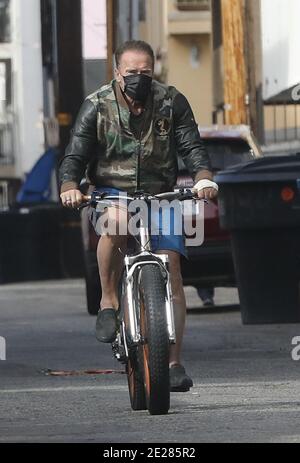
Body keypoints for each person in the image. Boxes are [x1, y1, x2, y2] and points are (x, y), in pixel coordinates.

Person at [59, 40, 218, 392]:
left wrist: (203, 175)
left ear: (154, 70)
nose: (139, 78)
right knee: (114, 223)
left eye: (145, 72)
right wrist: (69, 184)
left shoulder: (171, 101)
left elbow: (191, 145)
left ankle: (174, 362)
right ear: (117, 72)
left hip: (160, 194)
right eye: (131, 72)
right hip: (113, 192)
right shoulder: (96, 105)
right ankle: (108, 299)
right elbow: (76, 153)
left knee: (172, 266)